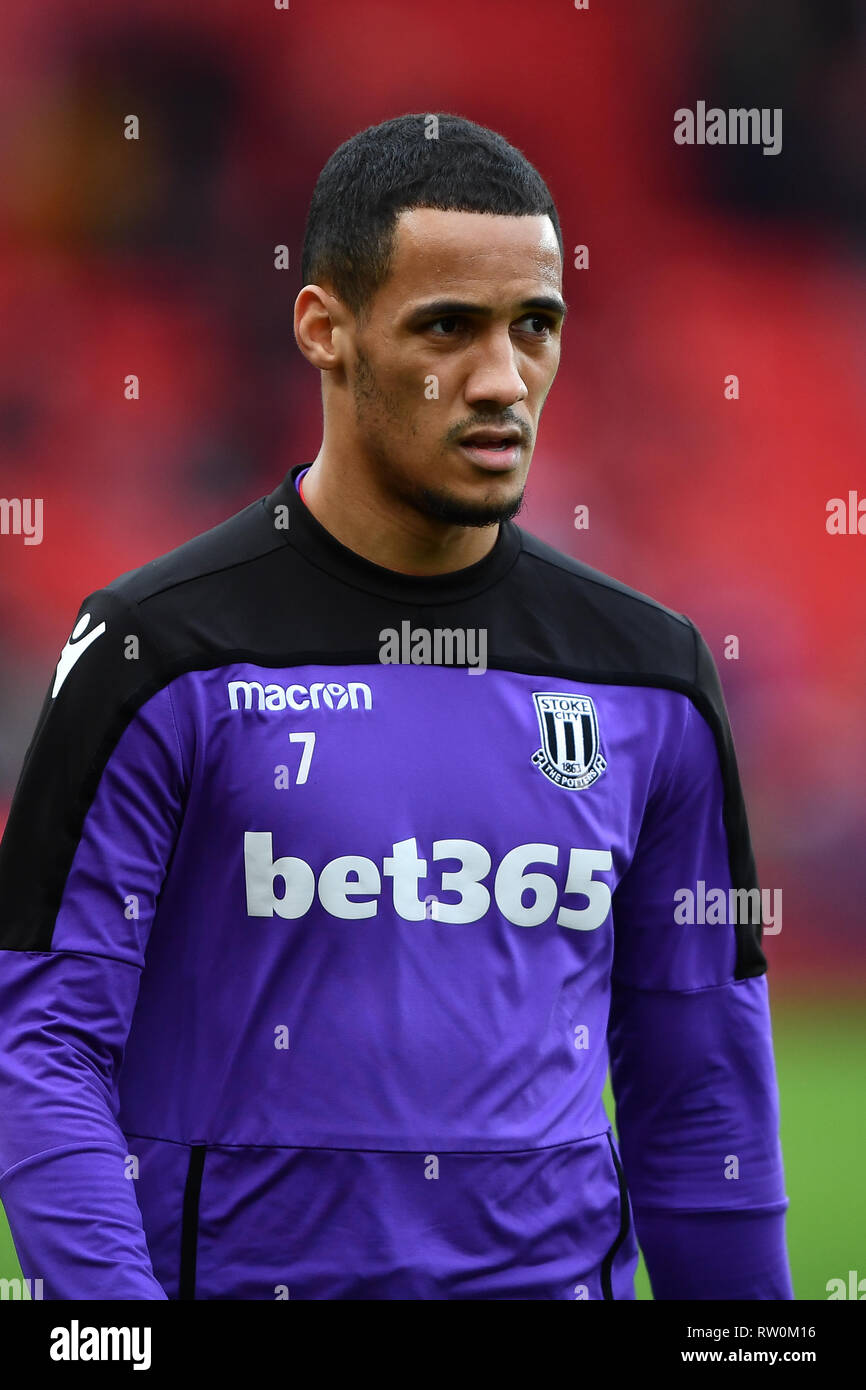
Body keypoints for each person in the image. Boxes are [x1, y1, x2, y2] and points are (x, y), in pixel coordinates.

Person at [0, 112, 792, 1300]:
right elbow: (43, 1045)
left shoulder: (652, 676)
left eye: (534, 327)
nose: (500, 378)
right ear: (324, 329)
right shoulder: (155, 652)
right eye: (446, 328)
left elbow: (703, 1086)